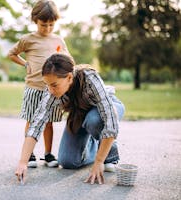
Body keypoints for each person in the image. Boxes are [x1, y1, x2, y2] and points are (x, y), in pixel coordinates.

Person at [15, 53, 125, 185]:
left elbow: (111, 121)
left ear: (69, 77)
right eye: (47, 85)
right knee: (68, 161)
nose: (50, 90)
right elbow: (36, 124)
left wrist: (99, 161)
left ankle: (109, 153)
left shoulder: (90, 78)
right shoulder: (50, 91)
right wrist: (23, 162)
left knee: (94, 120)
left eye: (54, 85)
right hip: (80, 114)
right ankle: (100, 144)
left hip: (108, 109)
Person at [8, 0, 71, 168]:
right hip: (33, 88)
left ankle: (48, 154)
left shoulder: (58, 40)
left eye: (51, 24)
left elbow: (68, 59)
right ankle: (29, 155)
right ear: (35, 20)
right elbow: (12, 54)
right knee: (31, 120)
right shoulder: (27, 39)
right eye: (44, 25)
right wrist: (25, 64)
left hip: (52, 90)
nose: (48, 28)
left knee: (48, 122)